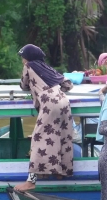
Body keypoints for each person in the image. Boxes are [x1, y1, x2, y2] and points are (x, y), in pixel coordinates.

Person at [15, 44, 74, 192]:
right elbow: (68, 84)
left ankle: (31, 181)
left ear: (28, 58)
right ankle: (61, 172)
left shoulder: (29, 66)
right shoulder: (48, 69)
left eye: (23, 57)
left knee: (38, 138)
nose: (23, 60)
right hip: (63, 101)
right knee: (62, 136)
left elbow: (23, 85)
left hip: (49, 103)